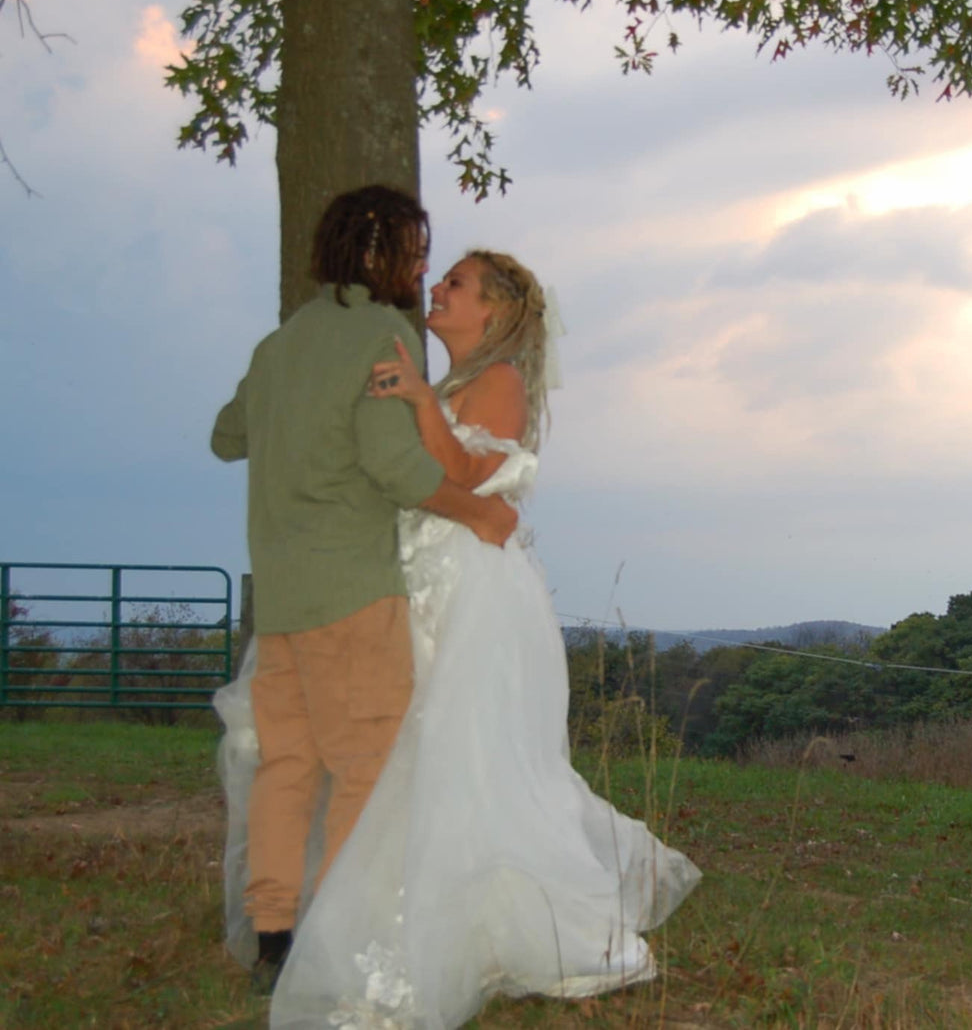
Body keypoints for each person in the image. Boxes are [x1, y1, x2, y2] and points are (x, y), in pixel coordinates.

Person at [219, 249, 700, 1029]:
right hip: (407, 568)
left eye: (456, 284)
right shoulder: (441, 380)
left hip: (463, 580)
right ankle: (351, 903)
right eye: (439, 278)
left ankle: (437, 910)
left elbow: (472, 477)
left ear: (496, 310)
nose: (436, 290)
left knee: (446, 744)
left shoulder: (500, 381)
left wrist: (417, 404)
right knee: (391, 743)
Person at [210, 187, 518, 992]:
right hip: (353, 592)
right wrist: (476, 511)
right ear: (381, 252)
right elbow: (396, 468)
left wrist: (290, 414)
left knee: (288, 766)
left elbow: (225, 435)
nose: (422, 268)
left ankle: (273, 933)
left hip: (280, 602)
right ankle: (335, 937)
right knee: (367, 771)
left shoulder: (279, 346)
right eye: (417, 250)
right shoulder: (380, 336)